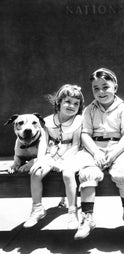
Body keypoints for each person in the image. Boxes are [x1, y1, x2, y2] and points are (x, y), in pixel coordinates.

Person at [74, 68, 124, 240]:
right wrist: (95, 153)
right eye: (96, 88)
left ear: (115, 87)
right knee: (88, 172)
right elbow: (85, 133)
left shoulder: (123, 108)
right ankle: (87, 217)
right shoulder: (89, 109)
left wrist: (115, 152)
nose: (101, 92)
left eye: (105, 87)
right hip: (95, 147)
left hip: (118, 147)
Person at [24, 84, 84, 230]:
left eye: (76, 103)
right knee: (36, 172)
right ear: (59, 102)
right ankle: (37, 208)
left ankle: (72, 211)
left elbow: (76, 145)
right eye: (68, 101)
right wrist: (40, 160)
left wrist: (63, 163)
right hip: (51, 155)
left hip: (72, 155)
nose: (72, 106)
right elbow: (43, 143)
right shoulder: (48, 121)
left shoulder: (78, 121)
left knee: (68, 175)